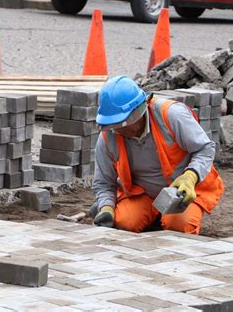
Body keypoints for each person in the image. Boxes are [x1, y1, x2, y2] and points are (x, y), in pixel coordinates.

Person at [92, 76, 224, 234]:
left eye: (122, 123)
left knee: (179, 226)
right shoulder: (109, 135)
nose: (117, 129)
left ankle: (167, 218)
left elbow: (205, 148)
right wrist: (106, 207)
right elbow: (104, 183)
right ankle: (153, 217)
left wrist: (190, 177)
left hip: (183, 190)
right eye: (113, 124)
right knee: (124, 224)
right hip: (142, 195)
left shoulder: (171, 115)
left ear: (138, 112)